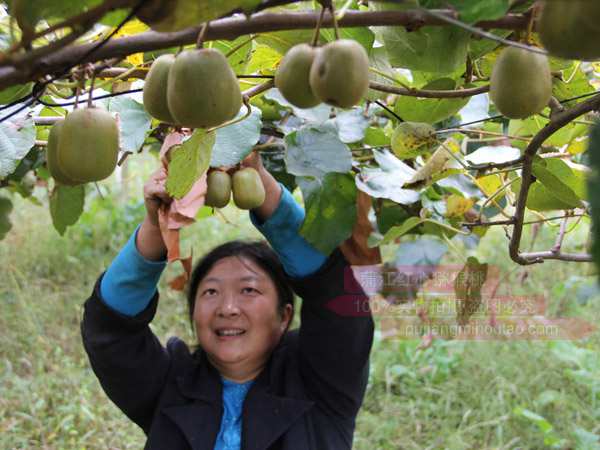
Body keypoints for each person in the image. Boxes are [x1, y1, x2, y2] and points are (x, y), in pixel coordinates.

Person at [80, 152, 375, 450]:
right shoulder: (170, 386)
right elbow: (110, 329)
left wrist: (263, 190)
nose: (228, 308)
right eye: (210, 292)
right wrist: (156, 228)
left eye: (249, 290)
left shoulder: (323, 383)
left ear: (284, 316)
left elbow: (337, 293)